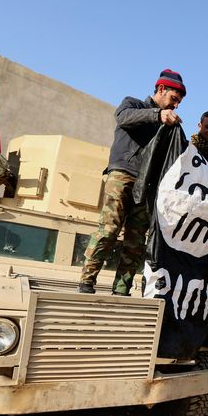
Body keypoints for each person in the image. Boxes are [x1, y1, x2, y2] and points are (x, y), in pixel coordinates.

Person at [78, 69, 186, 295]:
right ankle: (87, 280)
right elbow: (123, 118)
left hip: (147, 186)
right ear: (160, 89)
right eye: (174, 99)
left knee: (136, 240)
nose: (175, 106)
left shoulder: (168, 125)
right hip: (123, 176)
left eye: (179, 102)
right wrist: (158, 115)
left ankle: (121, 289)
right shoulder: (133, 105)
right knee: (109, 229)